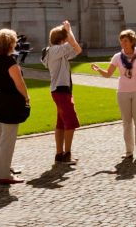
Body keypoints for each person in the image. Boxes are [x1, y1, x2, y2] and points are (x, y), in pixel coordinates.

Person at [89, 29, 136, 162]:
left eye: (125, 41)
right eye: (121, 41)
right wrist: (98, 69)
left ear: (132, 41)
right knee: (126, 123)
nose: (123, 43)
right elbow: (108, 74)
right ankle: (129, 151)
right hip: (123, 92)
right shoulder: (117, 57)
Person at [0, 29, 31, 185]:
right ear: (9, 44)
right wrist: (26, 97)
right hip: (10, 103)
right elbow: (20, 84)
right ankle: (4, 174)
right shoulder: (10, 63)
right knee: (7, 141)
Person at [42, 21, 83, 164]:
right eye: (65, 38)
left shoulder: (57, 52)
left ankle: (59, 154)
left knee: (61, 123)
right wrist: (69, 30)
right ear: (62, 39)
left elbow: (77, 49)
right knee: (70, 122)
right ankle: (67, 154)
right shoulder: (55, 50)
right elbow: (73, 43)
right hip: (61, 90)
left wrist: (68, 34)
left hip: (60, 90)